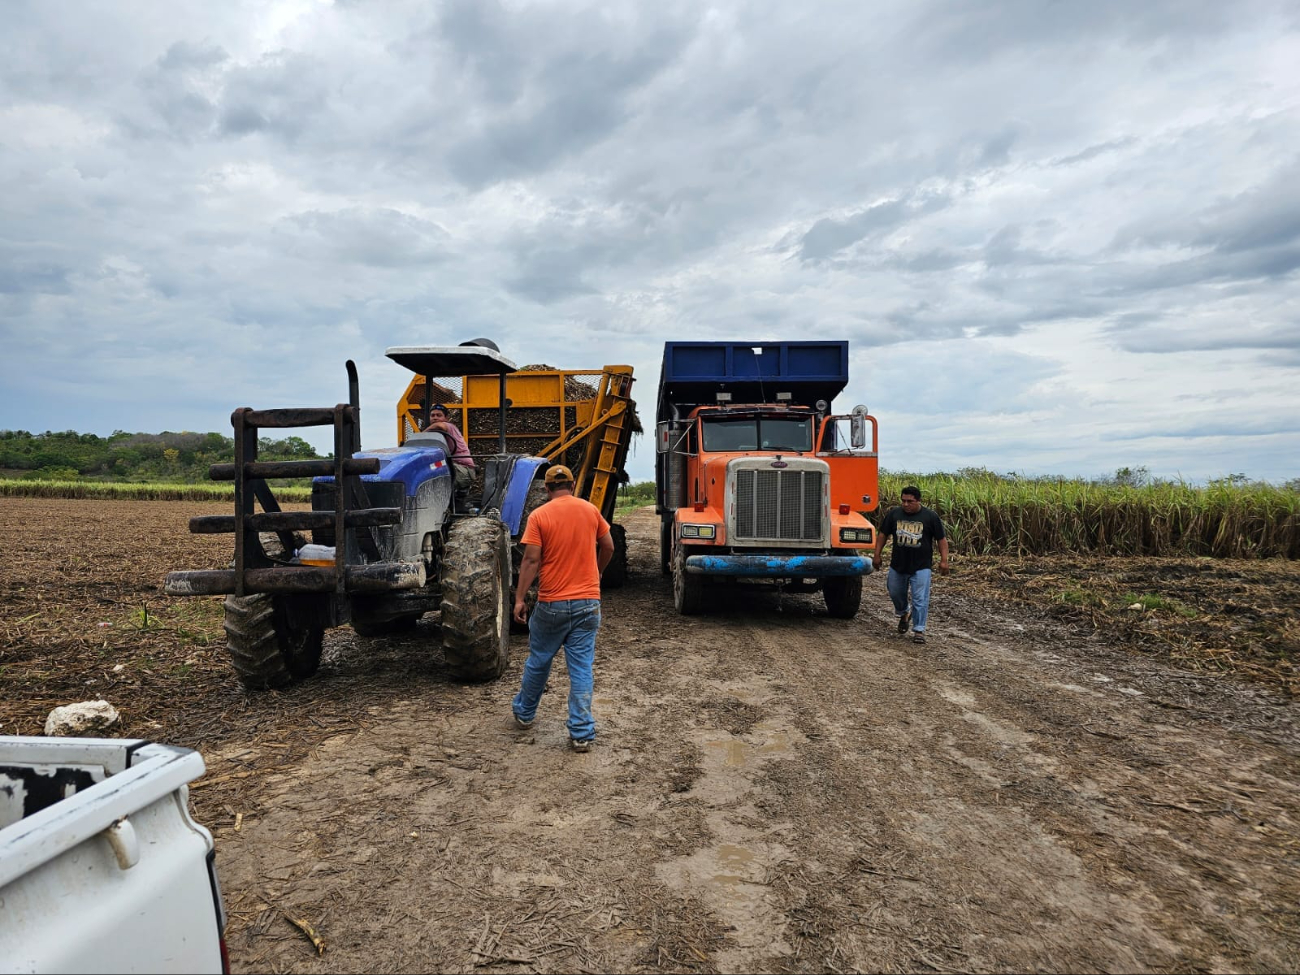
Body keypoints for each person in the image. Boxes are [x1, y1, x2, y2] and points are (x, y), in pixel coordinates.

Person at [511, 464, 614, 752]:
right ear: (572, 485)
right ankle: (581, 733)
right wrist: (598, 572)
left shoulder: (539, 515)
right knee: (581, 667)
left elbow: (531, 561)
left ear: (546, 489)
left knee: (540, 659)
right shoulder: (589, 510)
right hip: (587, 603)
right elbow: (608, 546)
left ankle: (525, 713)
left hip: (553, 603)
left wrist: (520, 599)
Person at [872, 485, 949, 644]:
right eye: (903, 501)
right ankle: (903, 613)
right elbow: (882, 535)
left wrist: (944, 560)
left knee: (920, 598)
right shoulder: (894, 515)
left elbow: (941, 540)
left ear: (919, 501)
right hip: (898, 564)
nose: (906, 504)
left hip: (921, 566)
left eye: (910, 501)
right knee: (894, 592)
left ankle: (919, 630)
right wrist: (877, 555)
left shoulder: (930, 517)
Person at [422, 403, 475, 492]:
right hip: (452, 466)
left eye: (439, 415)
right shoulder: (436, 434)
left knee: (432, 478)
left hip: (463, 469)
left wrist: (421, 434)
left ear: (446, 418)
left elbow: (439, 425)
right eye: (432, 415)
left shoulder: (448, 426)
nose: (435, 418)